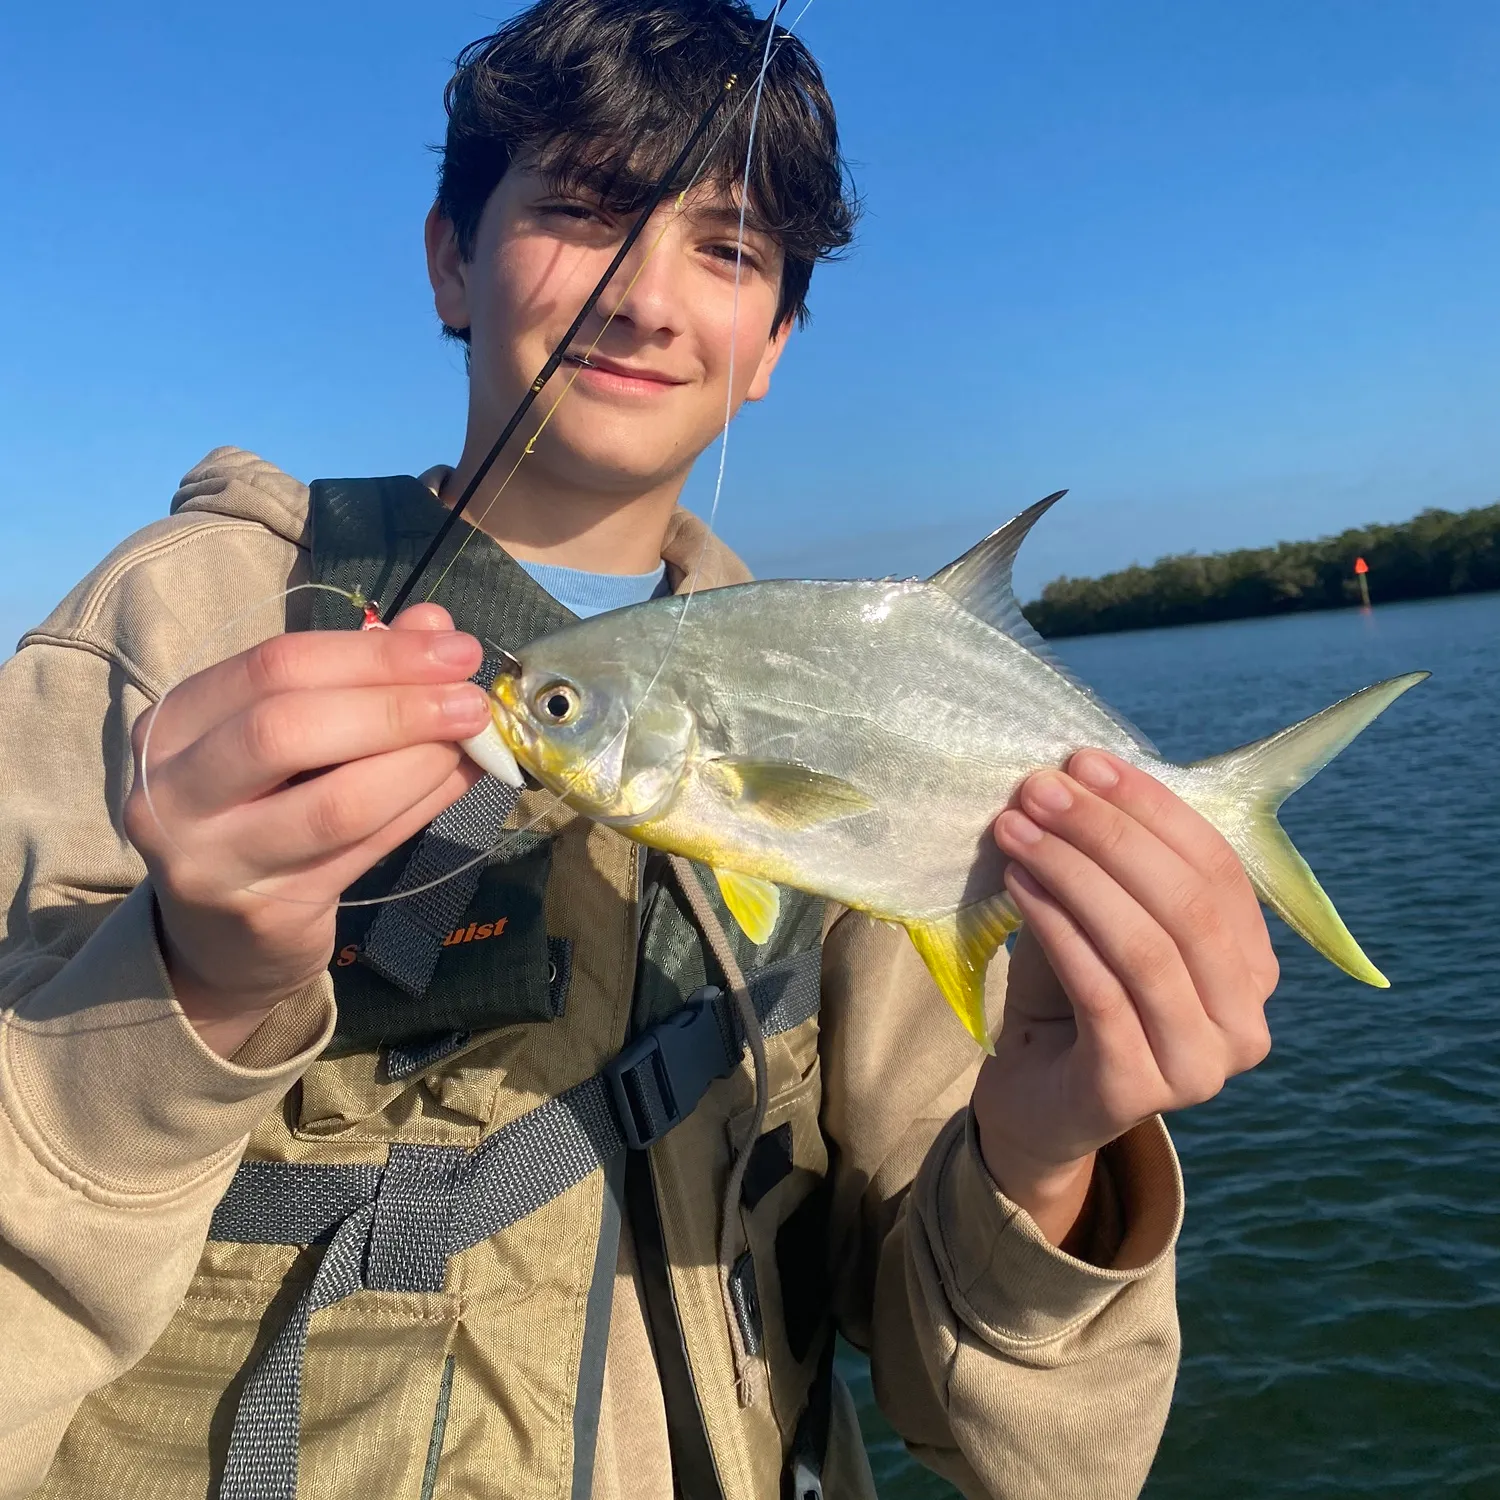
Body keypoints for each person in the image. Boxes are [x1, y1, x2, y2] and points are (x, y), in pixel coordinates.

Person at [0, 1, 1278, 1496]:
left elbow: (1045, 1464)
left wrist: (1054, 1143)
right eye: (583, 214)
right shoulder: (194, 619)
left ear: (776, 346)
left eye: (727, 253)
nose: (645, 298)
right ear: (447, 260)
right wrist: (184, 986)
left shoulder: (857, 696)